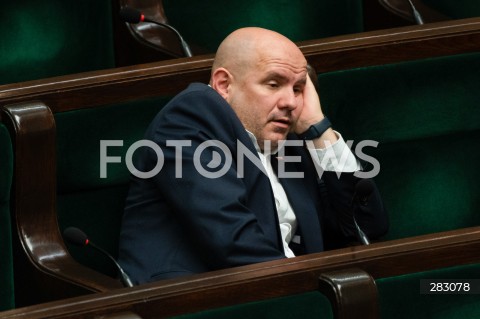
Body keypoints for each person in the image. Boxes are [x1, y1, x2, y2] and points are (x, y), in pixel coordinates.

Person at [118, 27, 388, 284]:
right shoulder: (191, 116)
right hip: (198, 300)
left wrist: (317, 126)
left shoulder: (285, 138)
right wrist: (312, 286)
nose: (290, 102)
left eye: (297, 88)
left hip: (280, 293)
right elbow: (233, 242)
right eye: (273, 84)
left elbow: (367, 227)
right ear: (224, 85)